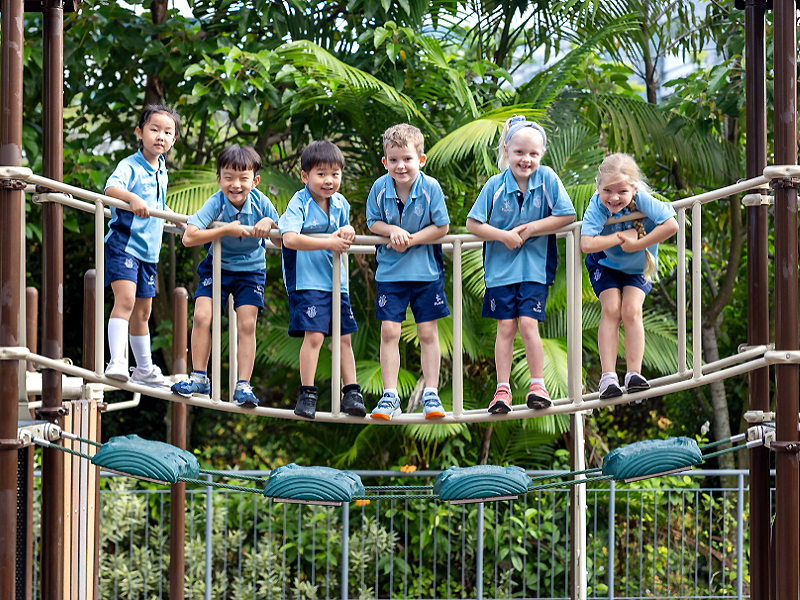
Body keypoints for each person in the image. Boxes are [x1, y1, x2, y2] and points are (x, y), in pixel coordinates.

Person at [466, 115, 576, 414]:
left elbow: (567, 215)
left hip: (535, 269)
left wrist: (531, 229)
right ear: (506, 150)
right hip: (500, 271)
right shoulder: (495, 185)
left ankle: (538, 386)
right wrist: (503, 236)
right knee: (505, 327)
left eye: (533, 154)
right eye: (519, 152)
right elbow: (473, 224)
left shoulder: (547, 179)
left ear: (542, 154)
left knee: (528, 324)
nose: (526, 159)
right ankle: (502, 390)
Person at [171, 145, 279, 407]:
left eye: (243, 178)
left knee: (247, 325)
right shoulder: (216, 202)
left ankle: (243, 385)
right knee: (201, 316)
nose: (236, 185)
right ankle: (199, 377)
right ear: (219, 179)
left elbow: (283, 236)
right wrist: (224, 230)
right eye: (228, 177)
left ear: (255, 180)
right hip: (217, 266)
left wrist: (270, 223)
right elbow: (189, 237)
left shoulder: (262, 203)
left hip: (251, 271)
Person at [366, 124, 450, 420]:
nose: (400, 166)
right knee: (389, 331)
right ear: (385, 162)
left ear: (421, 160)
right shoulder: (380, 188)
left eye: (407, 159)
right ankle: (390, 395)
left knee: (427, 332)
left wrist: (411, 239)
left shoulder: (431, 188)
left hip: (426, 272)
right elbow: (372, 222)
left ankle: (431, 393)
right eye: (394, 160)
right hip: (391, 273)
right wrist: (392, 230)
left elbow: (442, 227)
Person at [278, 141, 365, 420]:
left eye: (335, 174)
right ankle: (307, 393)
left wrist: (348, 230)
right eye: (321, 174)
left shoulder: (340, 203)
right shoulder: (299, 202)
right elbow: (289, 239)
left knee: (344, 338)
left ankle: (351, 392)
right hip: (308, 282)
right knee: (314, 336)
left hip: (336, 282)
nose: (329, 180)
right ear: (305, 176)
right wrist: (328, 242)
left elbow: (343, 232)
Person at [580, 153, 678, 399]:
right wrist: (621, 238)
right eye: (607, 190)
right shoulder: (597, 205)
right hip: (605, 263)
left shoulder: (642, 199)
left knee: (632, 310)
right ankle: (608, 377)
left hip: (637, 267)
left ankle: (634, 374)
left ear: (634, 189)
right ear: (598, 187)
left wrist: (639, 244)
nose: (614, 198)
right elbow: (586, 244)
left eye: (622, 191)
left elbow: (672, 225)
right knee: (612, 309)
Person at [103, 104, 182, 387]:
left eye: (168, 132)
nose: (161, 136)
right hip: (124, 244)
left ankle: (144, 369)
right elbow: (110, 189)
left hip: (149, 251)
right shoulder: (130, 166)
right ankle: (117, 361)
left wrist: (177, 220)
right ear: (139, 132)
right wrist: (131, 198)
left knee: (144, 312)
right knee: (125, 301)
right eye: (154, 129)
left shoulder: (162, 170)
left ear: (173, 140)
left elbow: (157, 205)